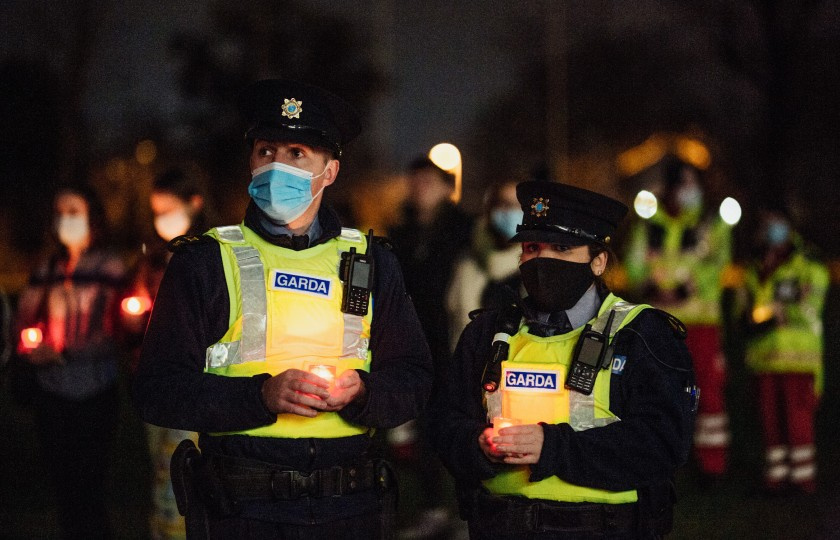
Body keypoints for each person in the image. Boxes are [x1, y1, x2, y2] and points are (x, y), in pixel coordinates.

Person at [132, 79, 433, 539]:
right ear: (250, 161)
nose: (277, 166)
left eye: (297, 153)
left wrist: (362, 392)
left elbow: (414, 380)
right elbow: (157, 389)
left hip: (349, 508)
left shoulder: (373, 261)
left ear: (329, 171)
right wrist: (259, 397)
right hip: (242, 509)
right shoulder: (207, 260)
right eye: (266, 151)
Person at [427, 180, 697, 539]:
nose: (543, 260)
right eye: (532, 247)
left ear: (598, 261)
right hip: (500, 526)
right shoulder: (488, 333)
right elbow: (446, 423)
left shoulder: (641, 336)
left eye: (562, 248)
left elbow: (663, 443)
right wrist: (477, 446)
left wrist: (551, 447)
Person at [15, 183, 127, 539]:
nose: (65, 219)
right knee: (64, 490)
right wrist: (30, 347)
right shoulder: (47, 268)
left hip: (95, 392)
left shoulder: (108, 265)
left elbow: (116, 328)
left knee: (89, 489)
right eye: (59, 212)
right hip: (52, 394)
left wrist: (65, 352)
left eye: (74, 212)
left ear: (92, 216)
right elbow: (23, 321)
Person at [623, 157, 733, 482]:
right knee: (660, 393)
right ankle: (664, 462)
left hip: (701, 324)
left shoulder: (709, 226)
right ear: (669, 189)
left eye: (692, 183)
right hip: (661, 325)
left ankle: (712, 466)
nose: (690, 191)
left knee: (707, 394)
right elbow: (633, 266)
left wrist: (689, 287)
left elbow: (718, 265)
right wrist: (648, 285)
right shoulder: (650, 226)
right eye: (683, 184)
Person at [124, 166, 214, 540]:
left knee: (185, 465)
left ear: (194, 204)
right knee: (161, 466)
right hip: (152, 375)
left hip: (193, 378)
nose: (162, 219)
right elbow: (131, 316)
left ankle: (185, 529)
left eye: (169, 208)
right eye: (156, 210)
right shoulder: (152, 259)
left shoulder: (211, 255)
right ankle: (164, 529)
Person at [741, 209, 829, 494]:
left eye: (776, 223)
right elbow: (745, 314)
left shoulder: (808, 265)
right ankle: (776, 479)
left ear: (790, 227)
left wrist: (774, 313)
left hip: (797, 359)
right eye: (765, 223)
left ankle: (803, 481)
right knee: (770, 423)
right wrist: (766, 316)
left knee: (798, 423)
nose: (771, 229)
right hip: (763, 359)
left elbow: (811, 306)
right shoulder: (755, 267)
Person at [446, 178, 523, 351]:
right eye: (503, 204)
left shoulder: (534, 266)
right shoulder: (466, 262)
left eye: (518, 205)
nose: (510, 211)